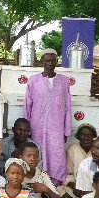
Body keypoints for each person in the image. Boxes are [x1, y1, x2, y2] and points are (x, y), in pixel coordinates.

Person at [24, 49, 71, 186]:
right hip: (36, 126)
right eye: (47, 60)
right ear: (42, 62)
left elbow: (68, 106)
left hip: (56, 128)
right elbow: (28, 104)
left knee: (56, 155)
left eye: (52, 60)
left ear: (56, 61)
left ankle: (54, 185)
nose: (49, 63)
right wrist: (27, 129)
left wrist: (66, 130)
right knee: (37, 153)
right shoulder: (33, 81)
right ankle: (38, 183)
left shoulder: (64, 81)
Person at [62, 124, 97, 198]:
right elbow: (68, 173)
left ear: (93, 137)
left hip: (95, 188)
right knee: (60, 192)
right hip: (76, 187)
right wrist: (74, 186)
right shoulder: (72, 149)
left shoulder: (98, 149)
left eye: (89, 135)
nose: (86, 138)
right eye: (82, 135)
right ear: (78, 137)